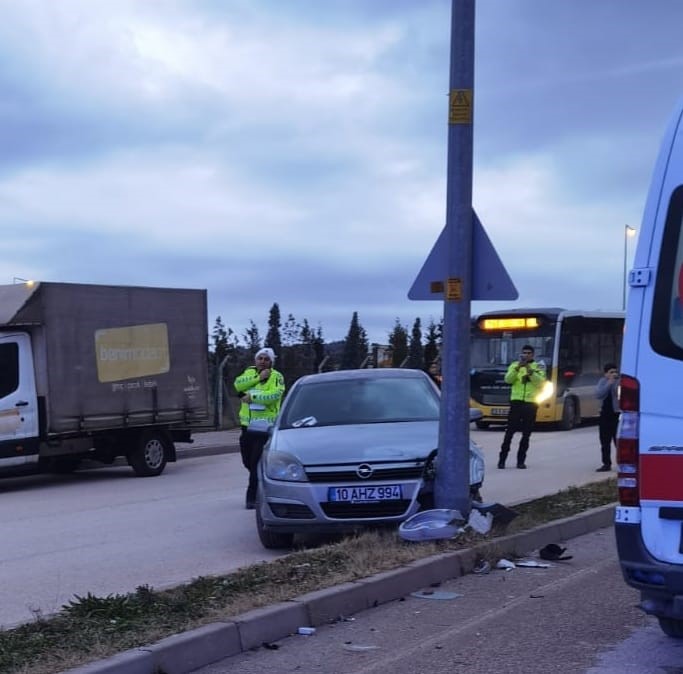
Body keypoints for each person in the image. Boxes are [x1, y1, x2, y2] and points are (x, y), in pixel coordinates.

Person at [234, 347, 285, 509]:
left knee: (256, 462)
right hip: (247, 426)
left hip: (265, 427)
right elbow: (238, 385)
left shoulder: (277, 377)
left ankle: (252, 497)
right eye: (260, 358)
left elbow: (274, 395)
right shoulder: (250, 372)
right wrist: (257, 378)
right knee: (247, 461)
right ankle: (262, 482)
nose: (262, 362)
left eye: (266, 359)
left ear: (271, 362)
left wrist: (253, 396)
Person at [498, 344, 546, 469]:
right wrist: (518, 368)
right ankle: (502, 460)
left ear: (533, 354)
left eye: (529, 353)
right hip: (516, 402)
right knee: (509, 432)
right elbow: (508, 380)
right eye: (524, 353)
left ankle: (520, 461)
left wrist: (530, 372)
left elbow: (541, 382)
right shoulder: (514, 365)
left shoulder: (538, 366)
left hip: (531, 403)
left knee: (526, 433)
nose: (526, 355)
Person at [595, 362, 620, 472]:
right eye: (611, 372)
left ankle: (622, 463)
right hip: (604, 415)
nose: (614, 374)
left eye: (615, 372)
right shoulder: (602, 382)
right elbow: (599, 394)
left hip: (617, 415)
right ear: (606, 374)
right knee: (605, 441)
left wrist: (615, 383)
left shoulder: (619, 382)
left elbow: (619, 394)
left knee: (618, 441)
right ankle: (606, 463)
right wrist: (609, 383)